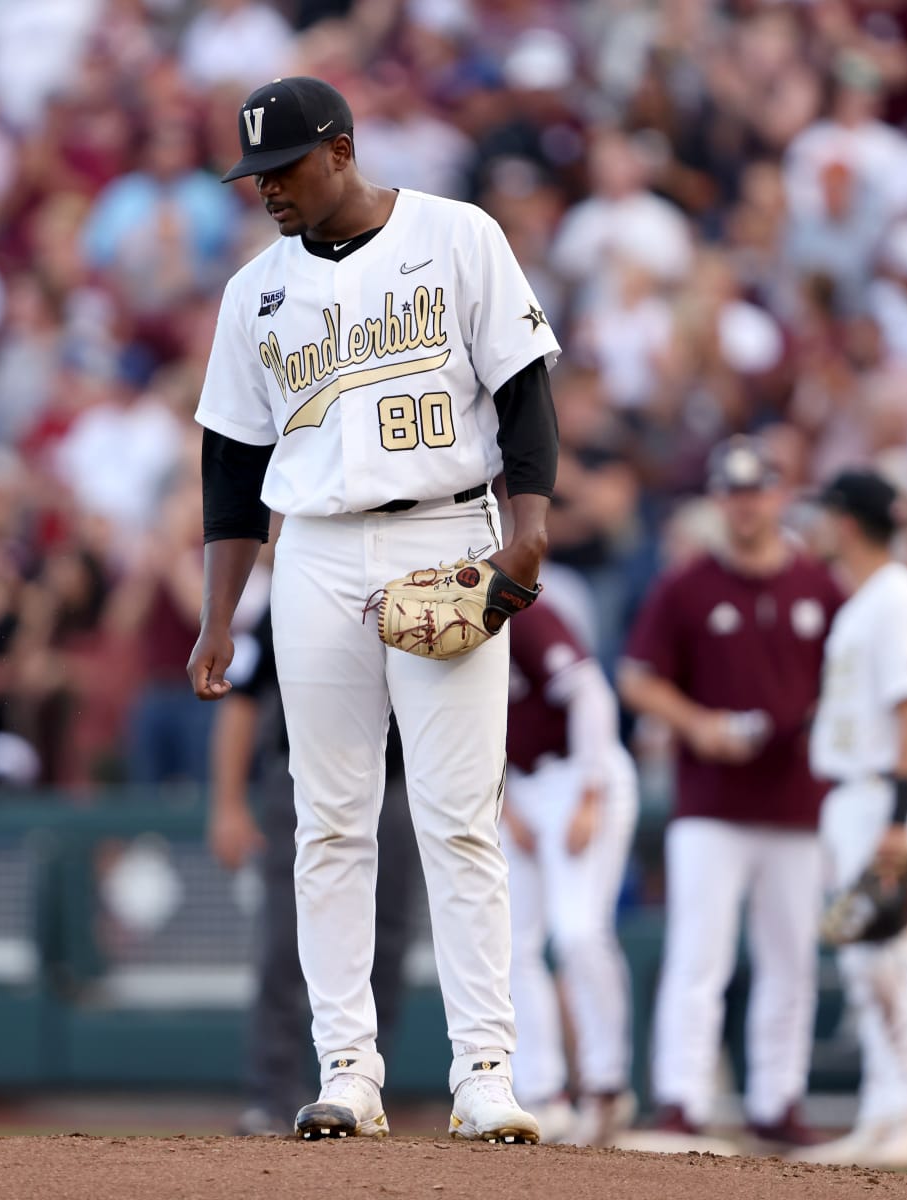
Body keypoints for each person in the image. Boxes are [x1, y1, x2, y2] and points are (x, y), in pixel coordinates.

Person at [187, 76, 561, 1143]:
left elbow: (527, 392)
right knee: (329, 822)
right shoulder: (254, 290)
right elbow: (232, 463)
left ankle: (484, 1068)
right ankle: (347, 1065)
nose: (268, 192)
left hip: (446, 531)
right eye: (256, 176)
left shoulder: (457, 235)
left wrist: (524, 530)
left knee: (455, 817)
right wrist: (221, 615)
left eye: (285, 169)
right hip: (311, 550)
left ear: (341, 149)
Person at [617, 435, 843, 1148]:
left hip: (796, 800)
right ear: (719, 501)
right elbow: (637, 675)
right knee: (698, 953)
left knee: (790, 958)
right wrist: (696, 723)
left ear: (778, 495)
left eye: (757, 491)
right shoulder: (687, 586)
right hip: (711, 799)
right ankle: (682, 1096)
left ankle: (778, 1099)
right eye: (733, 493)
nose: (745, 506)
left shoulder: (817, 586)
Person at [208, 599, 417, 1135]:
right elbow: (243, 701)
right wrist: (228, 803)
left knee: (385, 945)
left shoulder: (419, 584)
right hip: (303, 779)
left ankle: (361, 1092)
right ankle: (271, 1096)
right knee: (287, 937)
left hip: (397, 784)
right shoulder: (299, 588)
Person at [805, 469, 907, 1168]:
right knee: (865, 964)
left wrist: (898, 821)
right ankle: (886, 1112)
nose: (818, 527)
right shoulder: (867, 601)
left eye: (825, 515)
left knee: (894, 959)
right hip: (857, 792)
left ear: (846, 522)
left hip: (884, 794)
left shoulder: (896, 598)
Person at [500, 600, 638, 1146]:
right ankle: (541, 1092)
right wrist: (509, 806)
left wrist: (588, 793)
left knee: (578, 930)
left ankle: (606, 1084)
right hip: (517, 784)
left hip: (578, 772)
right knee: (513, 944)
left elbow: (591, 694)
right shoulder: (434, 623)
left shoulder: (518, 607)